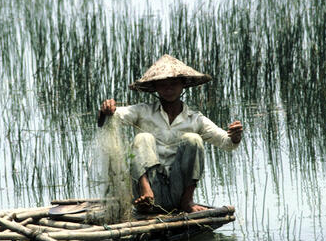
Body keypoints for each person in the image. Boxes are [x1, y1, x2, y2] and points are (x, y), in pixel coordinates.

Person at [98, 55, 243, 214]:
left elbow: (226, 142)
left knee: (193, 139)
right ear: (155, 87)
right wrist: (107, 109)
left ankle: (188, 201)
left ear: (183, 85)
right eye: (163, 84)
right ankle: (147, 193)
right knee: (143, 138)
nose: (168, 89)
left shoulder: (195, 119)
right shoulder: (142, 111)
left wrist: (235, 136)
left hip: (177, 192)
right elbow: (112, 116)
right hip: (145, 192)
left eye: (174, 83)